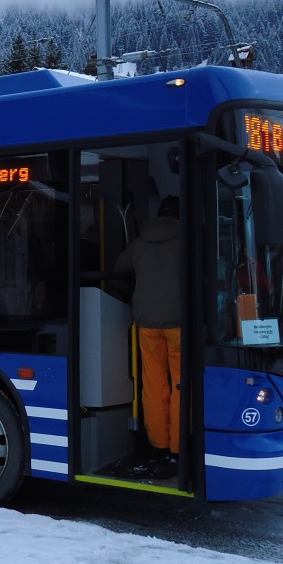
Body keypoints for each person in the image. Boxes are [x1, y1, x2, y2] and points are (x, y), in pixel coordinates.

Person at [114, 195, 182, 477]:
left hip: (146, 324)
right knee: (180, 385)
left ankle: (159, 448)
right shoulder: (187, 239)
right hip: (180, 323)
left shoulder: (141, 243)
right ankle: (180, 449)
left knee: (153, 387)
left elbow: (119, 267)